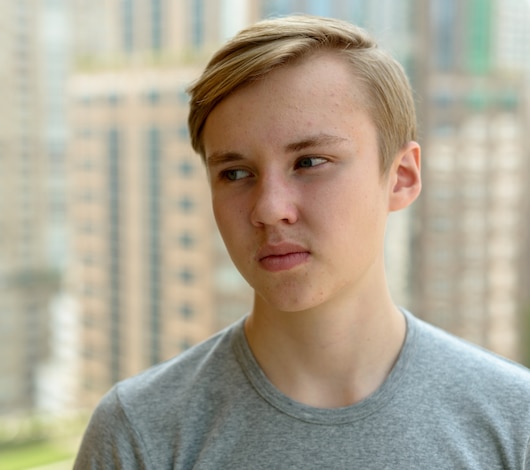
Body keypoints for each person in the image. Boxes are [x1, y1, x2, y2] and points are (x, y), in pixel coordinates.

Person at [74, 15, 530, 469]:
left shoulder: (515, 421)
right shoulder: (139, 433)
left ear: (402, 177)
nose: (269, 209)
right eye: (235, 173)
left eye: (310, 162)